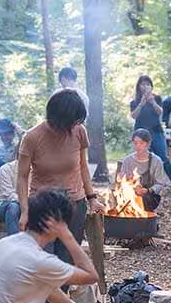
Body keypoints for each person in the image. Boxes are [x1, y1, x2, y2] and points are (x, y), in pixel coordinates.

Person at [17, 89, 106, 264]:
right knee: (43, 261)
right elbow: (22, 177)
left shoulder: (79, 131)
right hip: (43, 207)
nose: (76, 125)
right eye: (73, 121)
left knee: (66, 262)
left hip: (74, 203)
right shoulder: (32, 137)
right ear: (60, 119)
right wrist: (25, 210)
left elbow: (82, 166)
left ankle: (62, 292)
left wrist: (92, 198)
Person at [129, 74, 171, 199]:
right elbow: (134, 116)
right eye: (143, 84)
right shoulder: (134, 101)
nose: (145, 86)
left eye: (148, 84)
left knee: (163, 159)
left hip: (156, 132)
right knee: (141, 159)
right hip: (140, 134)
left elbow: (160, 112)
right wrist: (141, 103)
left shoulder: (157, 98)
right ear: (138, 86)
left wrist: (152, 101)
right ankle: (142, 189)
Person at [117, 129, 171, 212]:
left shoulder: (156, 161)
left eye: (141, 143)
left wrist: (148, 190)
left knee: (144, 199)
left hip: (149, 196)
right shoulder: (127, 160)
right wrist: (130, 186)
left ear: (148, 144)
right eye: (135, 143)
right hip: (129, 194)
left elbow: (160, 183)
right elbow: (121, 181)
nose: (138, 146)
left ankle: (147, 221)